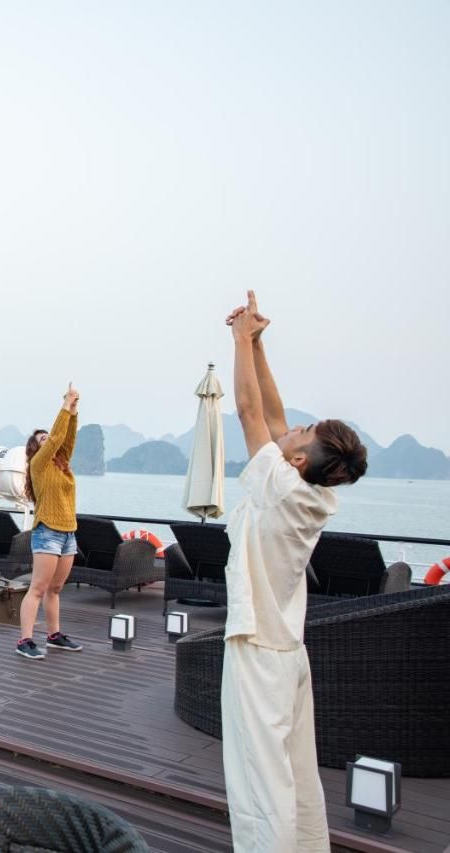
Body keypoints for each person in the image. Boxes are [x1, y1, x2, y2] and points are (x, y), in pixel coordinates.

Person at [221, 291, 366, 852]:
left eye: (302, 433)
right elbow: (274, 419)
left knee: (262, 785)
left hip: (259, 651)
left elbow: (250, 412)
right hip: (288, 652)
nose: (292, 426)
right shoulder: (309, 492)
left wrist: (238, 339)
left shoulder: (281, 487)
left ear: (298, 459)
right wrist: (259, 344)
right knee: (296, 774)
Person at [15, 383, 84, 660]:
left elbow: (66, 439)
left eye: (47, 437)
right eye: (42, 439)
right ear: (36, 448)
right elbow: (56, 438)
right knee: (38, 588)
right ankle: (25, 640)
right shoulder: (39, 465)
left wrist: (73, 411)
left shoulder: (61, 464)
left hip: (68, 533)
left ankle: (54, 636)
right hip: (47, 532)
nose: (49, 440)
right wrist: (65, 405)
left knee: (55, 589)